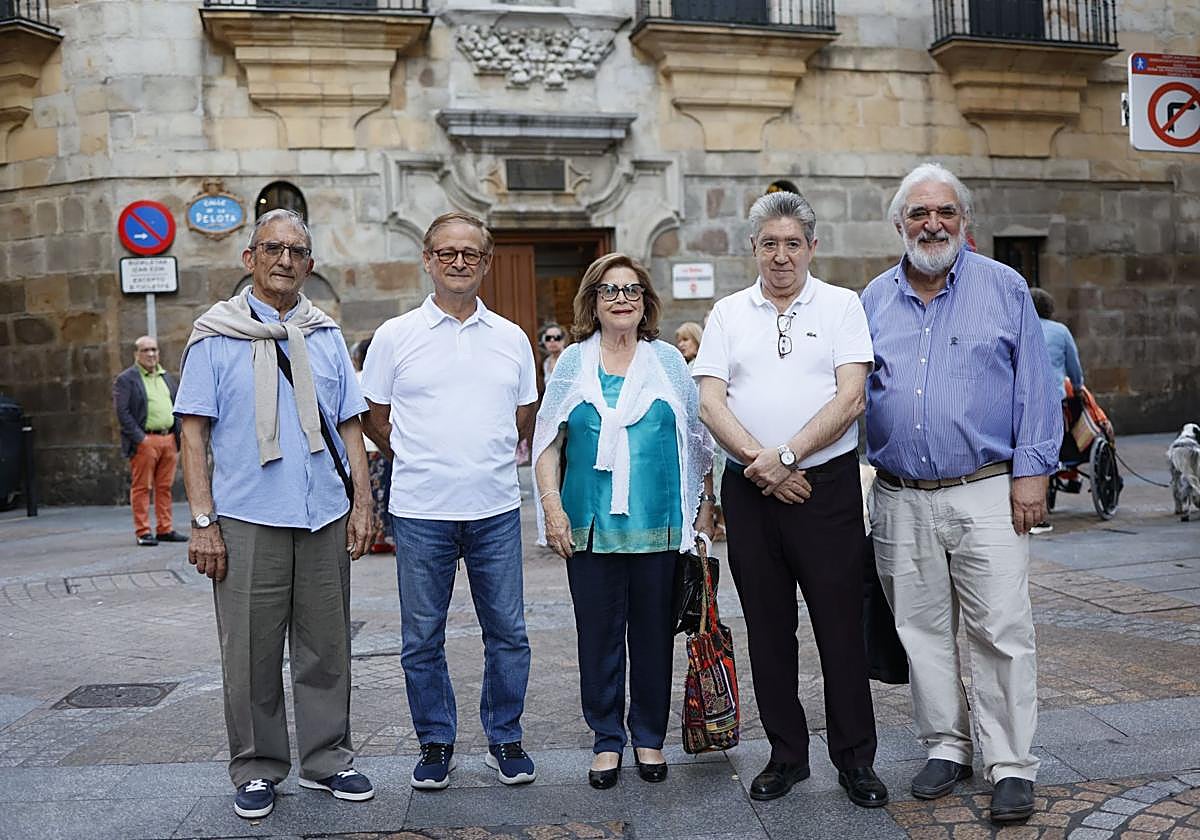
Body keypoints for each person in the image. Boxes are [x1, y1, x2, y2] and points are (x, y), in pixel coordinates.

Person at [861, 162, 1060, 824]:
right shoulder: (871, 300)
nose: (933, 223)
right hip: (899, 494)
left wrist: (1033, 472)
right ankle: (946, 746)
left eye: (945, 211)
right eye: (919, 213)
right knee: (920, 630)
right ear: (899, 225)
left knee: (1002, 628)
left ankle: (1009, 763)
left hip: (986, 489)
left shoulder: (1005, 288)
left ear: (964, 221)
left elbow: (1034, 383)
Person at [175, 208, 375, 820]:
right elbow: (192, 430)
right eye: (272, 249)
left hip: (321, 512)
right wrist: (203, 521)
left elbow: (349, 424)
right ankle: (258, 767)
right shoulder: (215, 334)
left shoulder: (326, 334)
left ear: (309, 265)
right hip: (247, 516)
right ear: (250, 260)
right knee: (252, 651)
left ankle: (327, 759)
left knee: (325, 646)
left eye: (295, 251)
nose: (284, 260)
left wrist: (363, 503)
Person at [693, 190, 888, 808]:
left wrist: (786, 457)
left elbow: (851, 396)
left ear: (812, 247)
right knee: (769, 632)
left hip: (823, 492)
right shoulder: (727, 313)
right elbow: (709, 402)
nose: (781, 256)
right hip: (749, 494)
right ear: (754, 248)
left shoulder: (841, 306)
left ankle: (856, 761)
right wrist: (762, 464)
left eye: (792, 244)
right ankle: (787, 756)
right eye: (769, 244)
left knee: (839, 631)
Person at [361, 211, 539, 791]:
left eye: (470, 254)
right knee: (421, 638)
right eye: (447, 253)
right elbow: (374, 418)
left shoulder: (511, 338)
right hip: (420, 512)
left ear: (485, 263)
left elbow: (522, 417)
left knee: (508, 632)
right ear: (427, 259)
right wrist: (419, 456)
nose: (458, 262)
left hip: (493, 507)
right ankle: (435, 742)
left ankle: (504, 738)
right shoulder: (394, 336)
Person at [532, 253, 714, 790]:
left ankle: (649, 738)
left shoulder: (667, 362)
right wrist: (551, 506)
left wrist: (703, 508)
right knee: (598, 638)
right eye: (610, 291)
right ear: (592, 300)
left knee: (654, 637)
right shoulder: (572, 363)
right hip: (589, 530)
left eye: (631, 291)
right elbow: (547, 440)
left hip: (659, 528)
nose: (621, 299)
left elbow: (697, 440)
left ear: (645, 302)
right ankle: (606, 739)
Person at [112, 336, 186, 546]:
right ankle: (143, 531)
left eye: (154, 350)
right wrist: (141, 439)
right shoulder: (127, 379)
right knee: (142, 487)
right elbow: (122, 412)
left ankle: (165, 528)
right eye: (145, 350)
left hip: (168, 439)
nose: (151, 354)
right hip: (145, 441)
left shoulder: (167, 377)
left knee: (164, 487)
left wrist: (177, 437)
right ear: (136, 354)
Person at [1029, 287, 1084, 534]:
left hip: (1022, 400)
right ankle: (1039, 514)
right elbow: (1074, 367)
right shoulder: (1060, 331)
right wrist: (1079, 387)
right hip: (1052, 401)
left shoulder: (1020, 328)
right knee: (1046, 449)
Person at [352, 336, 393, 553]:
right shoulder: (376, 378)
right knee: (382, 492)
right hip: (377, 446)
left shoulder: (355, 377)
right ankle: (382, 535)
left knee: (364, 493)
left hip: (359, 447)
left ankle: (367, 534)